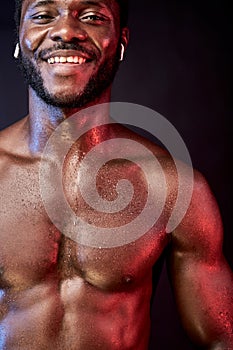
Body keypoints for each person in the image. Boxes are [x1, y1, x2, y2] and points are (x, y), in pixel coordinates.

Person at [0, 0, 232, 349]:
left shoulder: (172, 187)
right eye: (43, 15)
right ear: (19, 38)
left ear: (121, 42)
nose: (65, 31)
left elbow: (221, 339)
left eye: (92, 17)